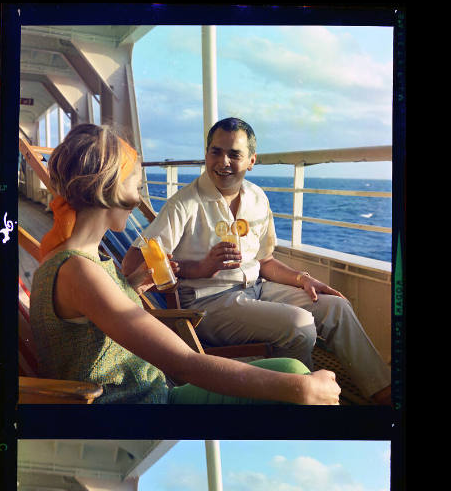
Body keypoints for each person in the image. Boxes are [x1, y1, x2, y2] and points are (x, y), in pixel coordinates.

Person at [29, 123, 341, 406]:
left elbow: (96, 317)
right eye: (136, 188)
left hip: (151, 392)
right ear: (108, 188)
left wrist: (131, 285)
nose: (139, 200)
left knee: (293, 368)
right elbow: (183, 363)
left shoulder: (81, 260)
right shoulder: (80, 271)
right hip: (142, 408)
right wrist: (302, 390)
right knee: (296, 384)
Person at [122, 117, 391, 405]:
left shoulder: (257, 198)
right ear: (206, 154)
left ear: (251, 161)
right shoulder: (185, 204)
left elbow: (265, 261)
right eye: (215, 151)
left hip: (257, 289)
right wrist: (200, 268)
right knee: (298, 325)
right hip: (208, 304)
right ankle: (300, 403)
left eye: (234, 154)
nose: (222, 161)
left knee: (336, 307)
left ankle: (384, 396)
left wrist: (302, 279)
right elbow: (132, 264)